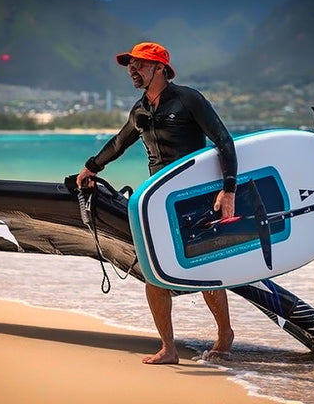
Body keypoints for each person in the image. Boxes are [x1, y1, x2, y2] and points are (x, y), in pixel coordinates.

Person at [77, 42, 237, 364]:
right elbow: (119, 142)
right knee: (153, 274)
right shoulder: (139, 110)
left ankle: (225, 335)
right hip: (158, 201)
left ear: (160, 68)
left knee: (204, 269)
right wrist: (90, 168)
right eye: (130, 67)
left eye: (140, 65)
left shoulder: (188, 99)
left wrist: (228, 190)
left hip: (194, 198)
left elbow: (224, 141)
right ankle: (169, 348)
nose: (132, 71)